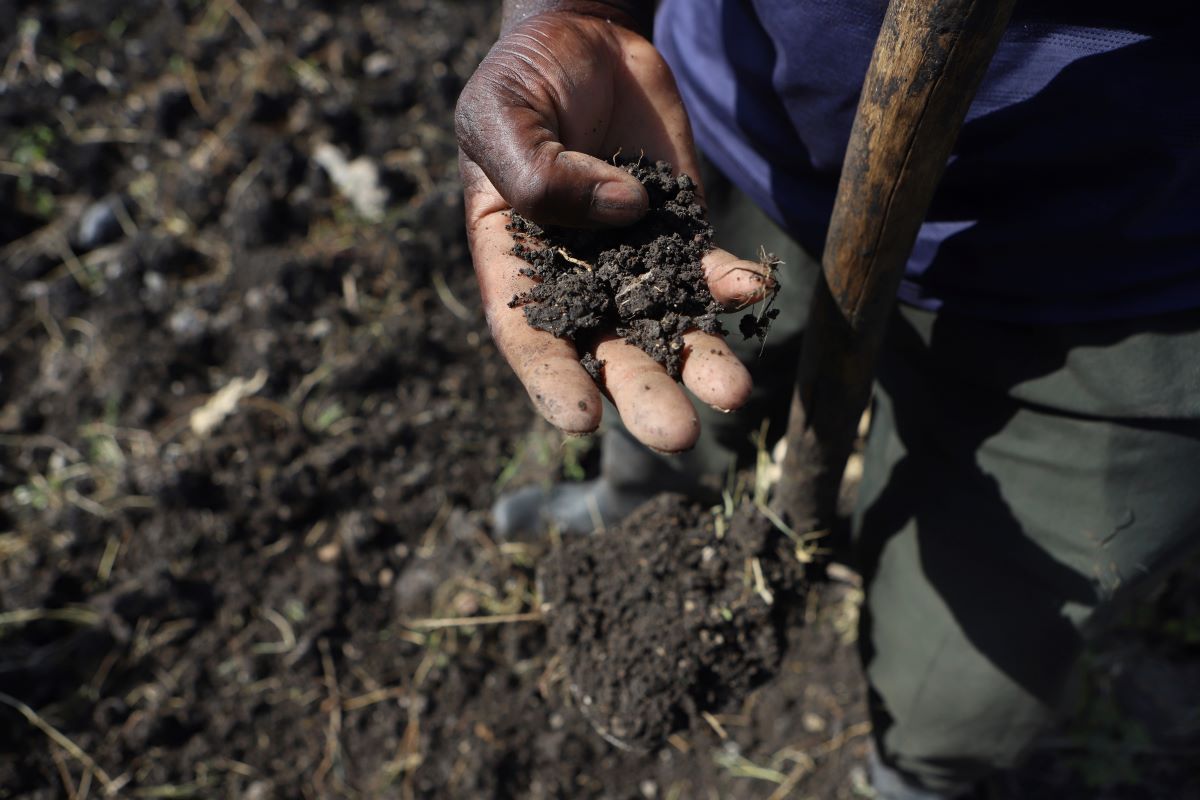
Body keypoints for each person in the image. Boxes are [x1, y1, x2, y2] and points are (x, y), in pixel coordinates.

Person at [455, 2, 1200, 797]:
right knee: (666, 378)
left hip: (1127, 266)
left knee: (978, 638)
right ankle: (641, 518)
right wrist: (579, 12)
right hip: (737, 131)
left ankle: (916, 773)